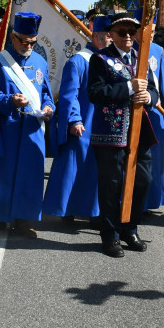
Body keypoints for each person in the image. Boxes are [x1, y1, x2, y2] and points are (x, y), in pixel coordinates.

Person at [0, 12, 54, 238]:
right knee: (4, 175)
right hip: (7, 128)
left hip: (32, 129)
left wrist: (50, 108)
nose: (28, 45)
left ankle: (23, 220)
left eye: (33, 42)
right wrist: (10, 100)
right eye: (24, 41)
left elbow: (46, 93)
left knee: (31, 176)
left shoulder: (40, 62)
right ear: (13, 37)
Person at [88, 13, 160, 257]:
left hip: (139, 131)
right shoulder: (100, 59)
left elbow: (153, 90)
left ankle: (130, 228)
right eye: (122, 32)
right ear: (112, 34)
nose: (128, 36)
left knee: (143, 181)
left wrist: (149, 97)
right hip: (110, 131)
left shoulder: (142, 59)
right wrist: (129, 88)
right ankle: (110, 235)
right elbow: (96, 92)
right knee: (111, 185)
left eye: (132, 31)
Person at [43, 15, 110, 222]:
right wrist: (74, 120)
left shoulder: (113, 60)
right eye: (108, 35)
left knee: (97, 172)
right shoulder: (79, 61)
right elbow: (69, 95)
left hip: (105, 125)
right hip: (84, 124)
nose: (111, 39)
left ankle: (94, 212)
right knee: (72, 170)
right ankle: (68, 209)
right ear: (96, 35)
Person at [142, 29, 164, 211]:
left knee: (156, 160)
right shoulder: (129, 49)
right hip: (137, 111)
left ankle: (153, 200)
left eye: (153, 31)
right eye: (147, 30)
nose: (151, 34)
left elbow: (163, 84)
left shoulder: (158, 50)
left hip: (155, 113)